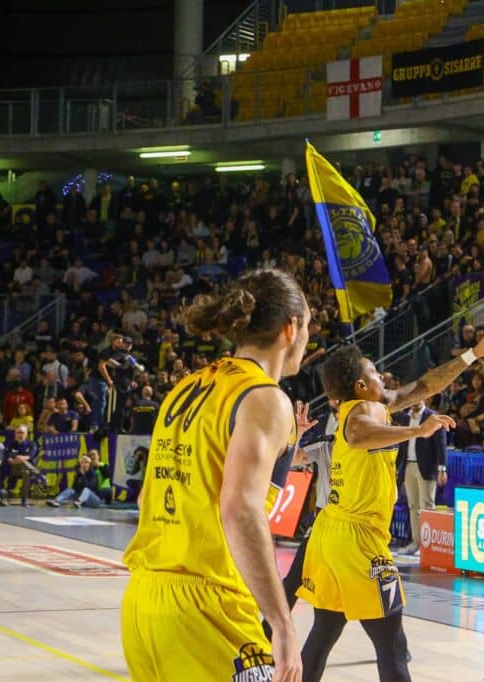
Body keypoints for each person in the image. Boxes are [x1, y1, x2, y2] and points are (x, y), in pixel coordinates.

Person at [121, 269, 311, 682]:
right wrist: (281, 622)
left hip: (144, 602)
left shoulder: (187, 387)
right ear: (290, 328)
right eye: (309, 327)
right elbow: (240, 509)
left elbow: (145, 499)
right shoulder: (265, 398)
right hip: (208, 609)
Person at [296, 330, 484, 682]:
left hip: (331, 533)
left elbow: (424, 386)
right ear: (361, 385)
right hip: (358, 541)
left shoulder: (374, 404)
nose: (383, 377)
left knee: (324, 631)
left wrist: (472, 355)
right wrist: (417, 433)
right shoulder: (363, 410)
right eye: (376, 372)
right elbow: (359, 434)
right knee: (392, 645)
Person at [395, 401, 448, 556]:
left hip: (426, 466)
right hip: (409, 465)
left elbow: (441, 444)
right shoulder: (406, 418)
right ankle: (416, 542)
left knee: (427, 505)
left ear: (425, 398)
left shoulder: (432, 417)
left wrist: (442, 468)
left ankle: (428, 545)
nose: (414, 402)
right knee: (413, 506)